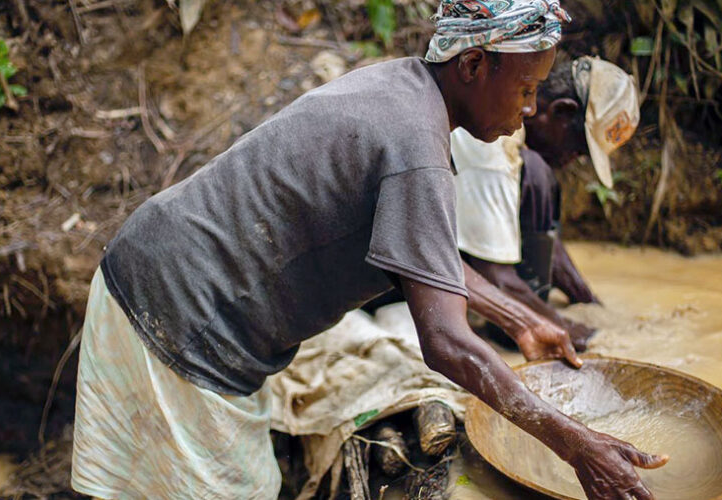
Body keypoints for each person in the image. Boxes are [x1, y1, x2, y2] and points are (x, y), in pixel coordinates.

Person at [70, 2, 666, 499]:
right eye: (528, 88)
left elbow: (422, 259)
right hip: (180, 312)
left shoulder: (405, 91)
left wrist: (522, 320)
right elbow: (448, 343)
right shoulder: (416, 147)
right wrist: (578, 445)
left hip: (158, 272)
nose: (530, 109)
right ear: (474, 64)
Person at [452, 55, 641, 350]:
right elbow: (495, 276)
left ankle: (530, 308)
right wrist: (575, 334)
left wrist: (589, 303)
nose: (570, 161)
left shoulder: (516, 128)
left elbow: (551, 248)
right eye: (577, 149)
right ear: (562, 112)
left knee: (541, 178)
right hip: (392, 273)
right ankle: (509, 331)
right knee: (539, 175)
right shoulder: (492, 143)